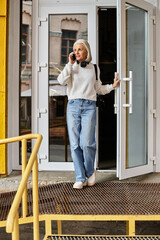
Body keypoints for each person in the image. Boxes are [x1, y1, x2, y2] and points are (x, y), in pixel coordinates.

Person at [57, 39, 120, 189]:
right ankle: (80, 177)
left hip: (89, 106)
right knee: (74, 144)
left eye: (80, 49)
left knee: (87, 143)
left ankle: (90, 171)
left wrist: (112, 86)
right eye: (75, 49)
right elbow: (61, 81)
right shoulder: (71, 67)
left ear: (87, 52)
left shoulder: (94, 68)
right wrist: (70, 64)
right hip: (73, 106)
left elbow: (98, 88)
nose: (77, 52)